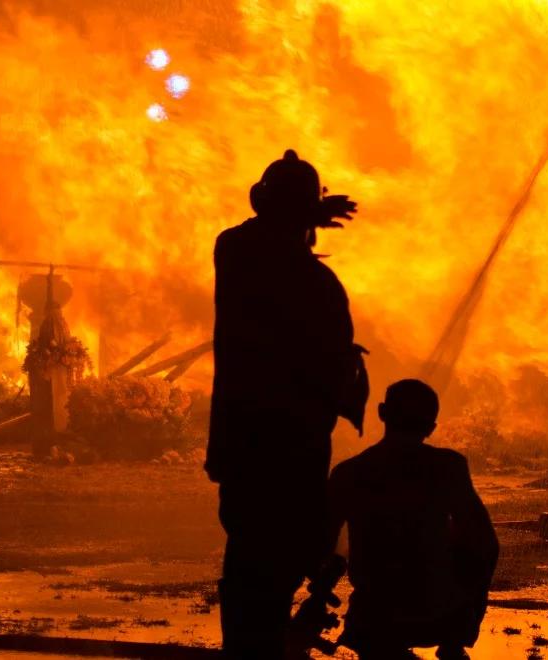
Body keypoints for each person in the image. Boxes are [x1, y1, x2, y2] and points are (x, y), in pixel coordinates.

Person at [207, 149, 366, 657]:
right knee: (271, 578)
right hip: (292, 455)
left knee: (250, 575)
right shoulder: (318, 285)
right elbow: (335, 381)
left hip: (244, 451)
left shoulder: (235, 254)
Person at [322, 379, 499, 659]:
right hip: (439, 612)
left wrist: (323, 587)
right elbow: (485, 544)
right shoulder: (447, 467)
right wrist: (467, 606)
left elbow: (322, 545)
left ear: (382, 412)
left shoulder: (349, 473)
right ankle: (454, 643)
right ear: (432, 427)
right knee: (474, 547)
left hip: (374, 616)